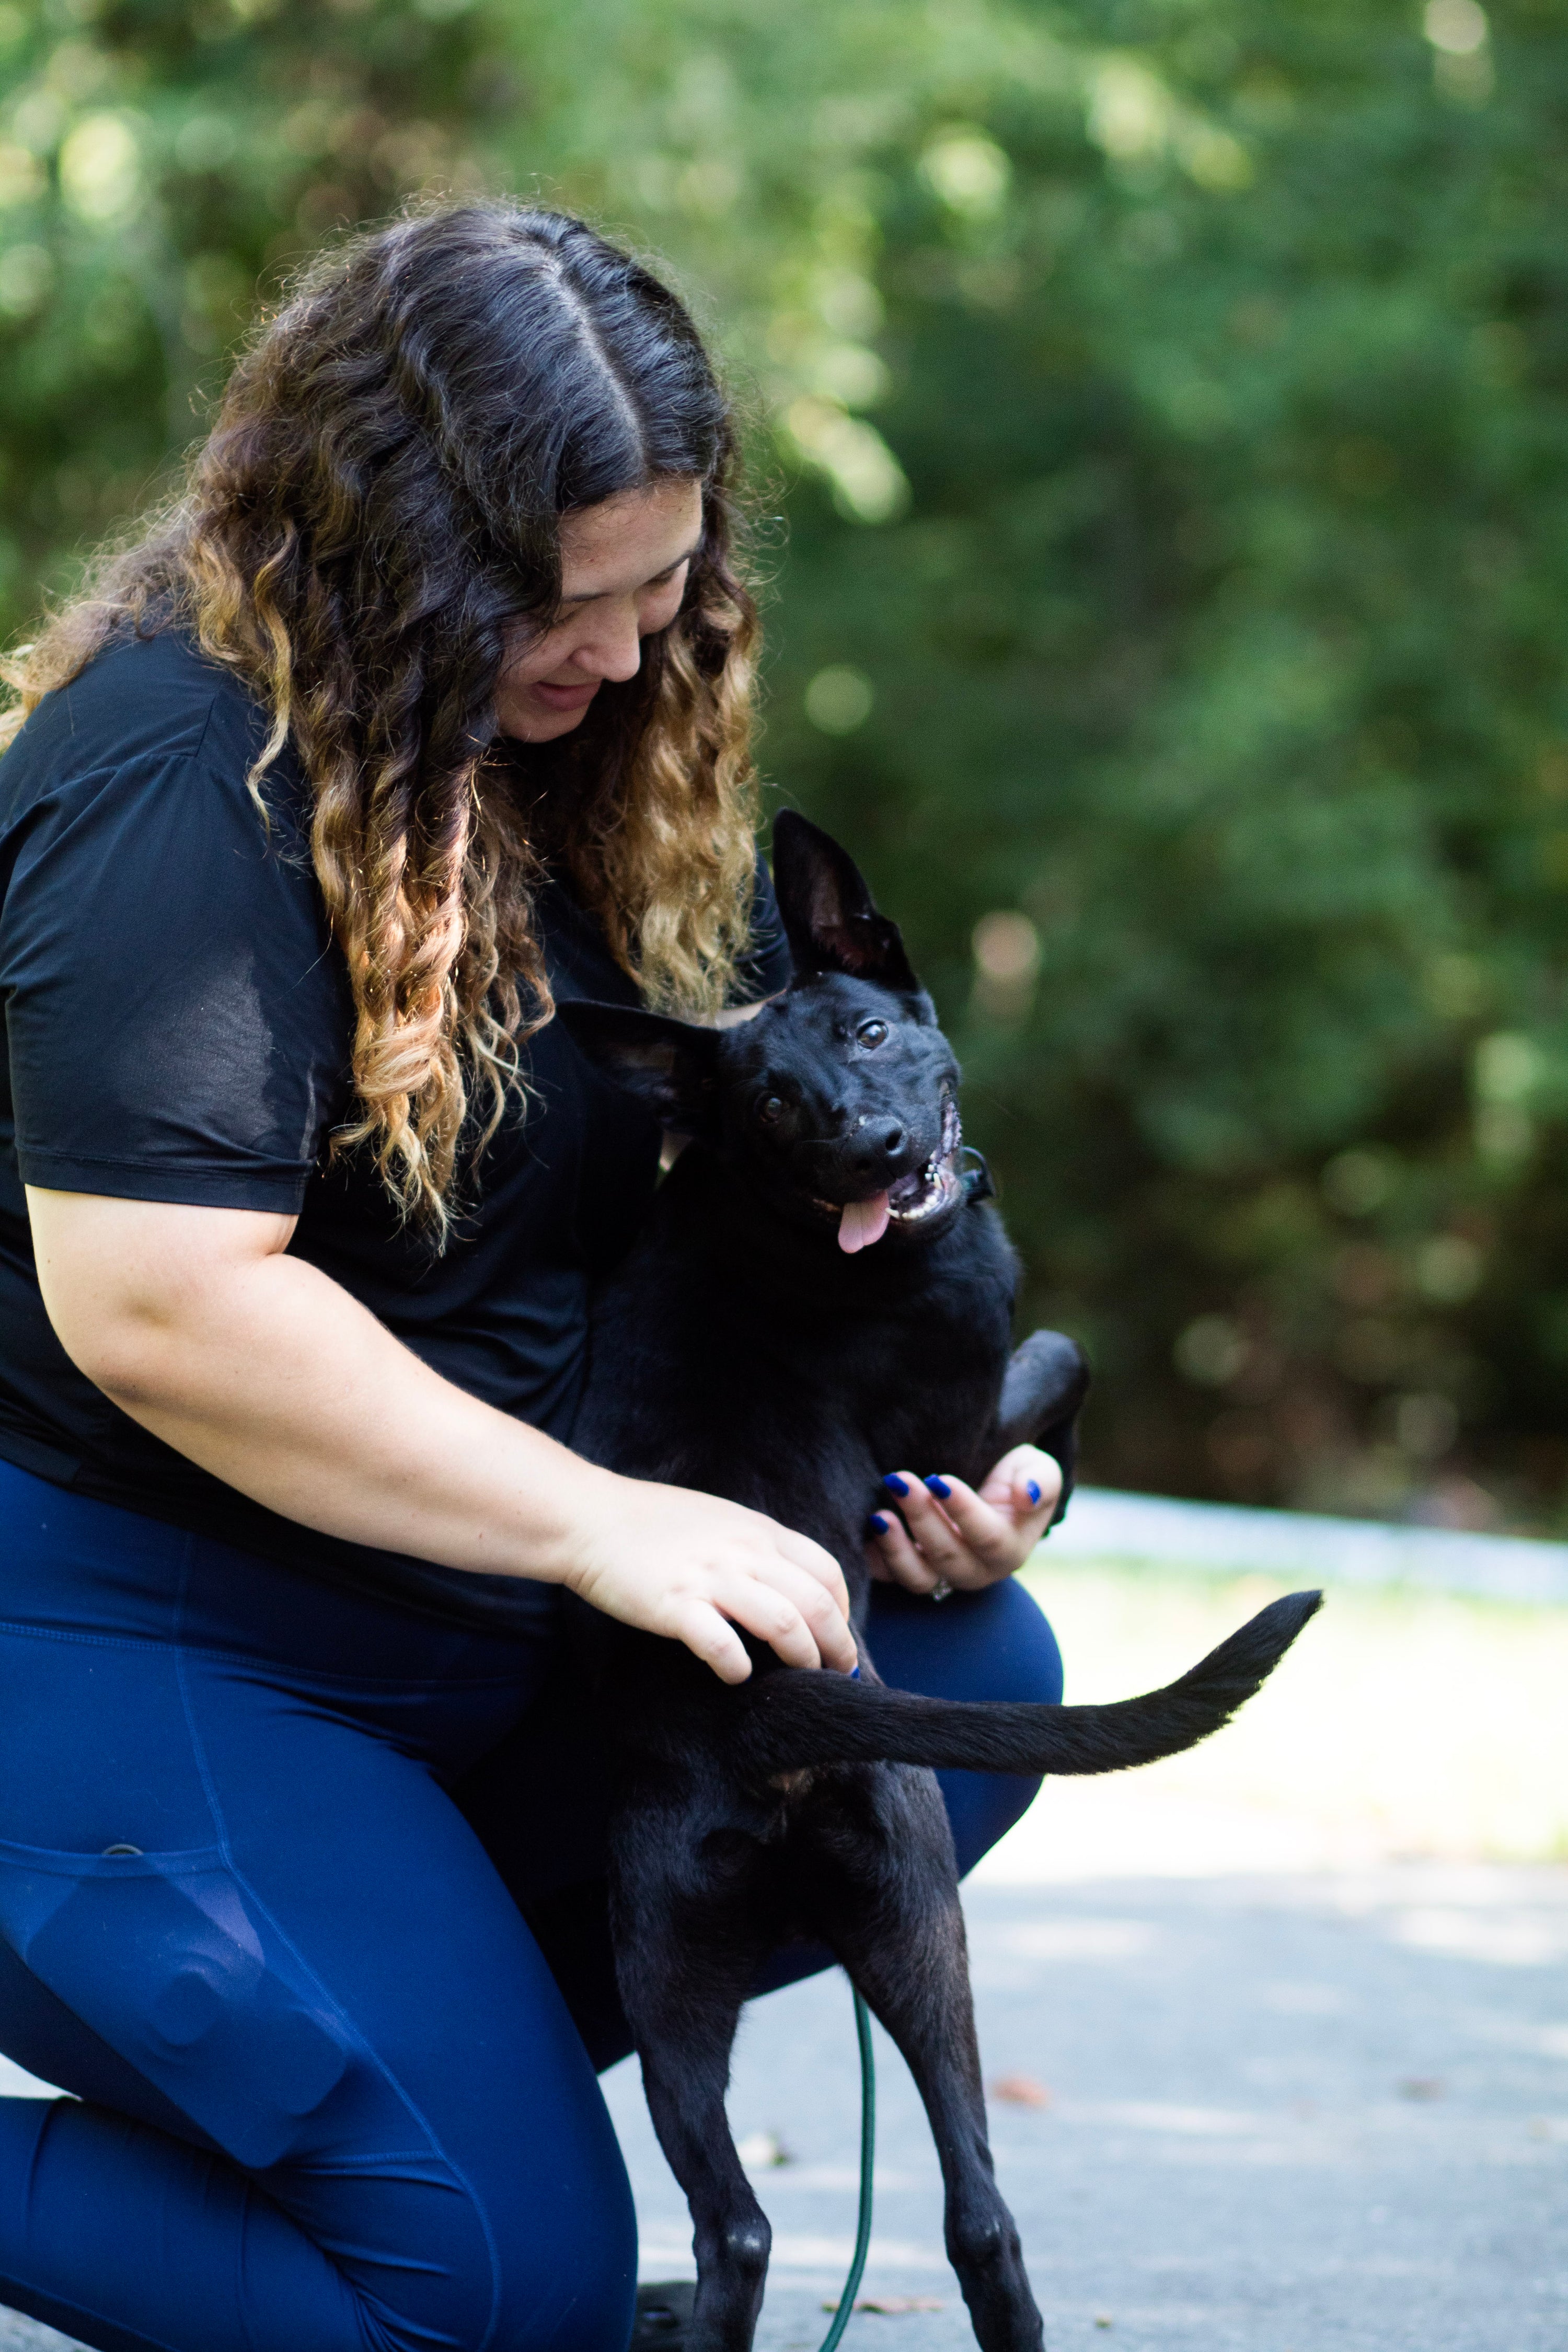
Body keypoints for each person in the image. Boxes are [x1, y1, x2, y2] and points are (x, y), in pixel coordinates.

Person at [0, 202, 1068, 2352]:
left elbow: (788, 1236)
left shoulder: (581, 787)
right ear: (394, 568)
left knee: (977, 1678)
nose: (628, 654)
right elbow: (165, 1305)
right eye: (569, 609)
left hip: (472, 1647)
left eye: (671, 589)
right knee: (487, 2296)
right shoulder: (171, 779)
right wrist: (602, 1519)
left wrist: (970, 1468)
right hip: (136, 1635)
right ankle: (347, 2106)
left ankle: (335, 2067)